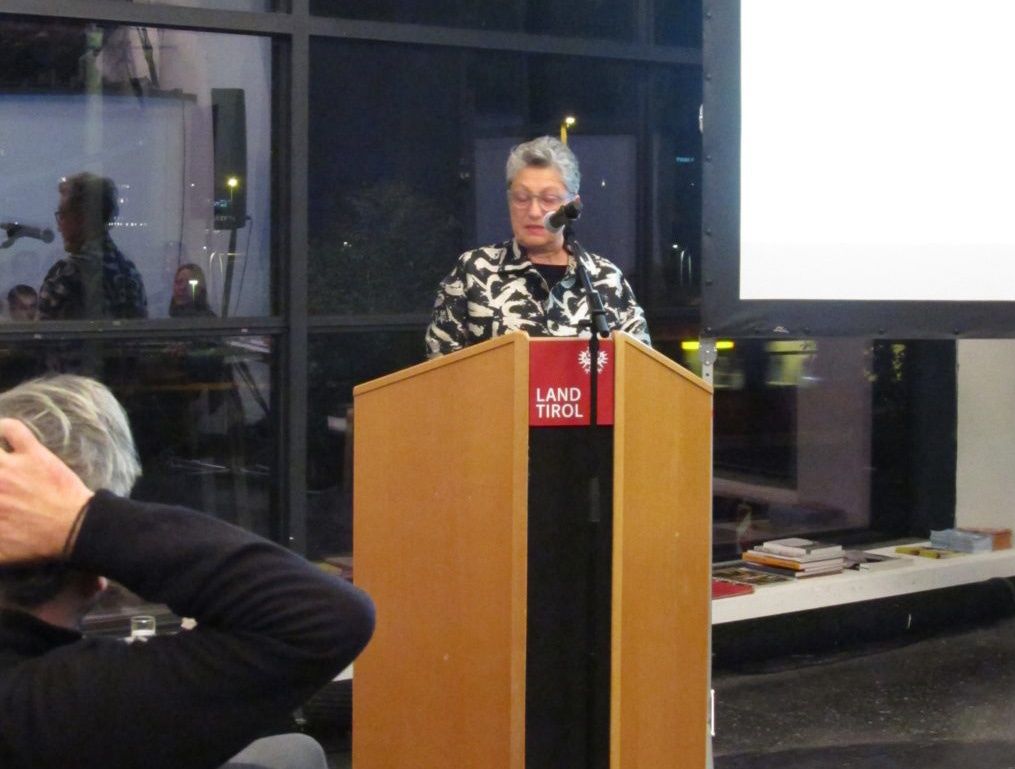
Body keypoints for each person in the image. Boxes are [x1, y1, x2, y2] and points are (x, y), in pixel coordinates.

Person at [0, 375, 375, 769]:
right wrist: (84, 523)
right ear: (96, 574)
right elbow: (328, 616)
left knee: (292, 752)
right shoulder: (54, 709)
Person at [425, 136, 650, 358]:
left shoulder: (605, 279)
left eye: (549, 199)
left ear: (573, 206)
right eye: (521, 198)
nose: (533, 212)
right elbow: (440, 365)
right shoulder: (474, 271)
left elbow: (641, 366)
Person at [38, 172, 148, 320]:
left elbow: (43, 332)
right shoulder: (129, 273)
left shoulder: (64, 276)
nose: (59, 227)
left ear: (81, 218)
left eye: (62, 215)